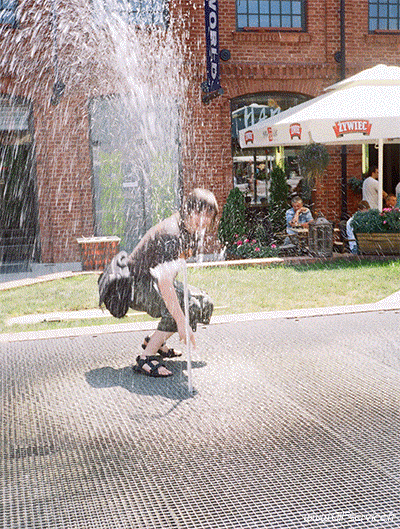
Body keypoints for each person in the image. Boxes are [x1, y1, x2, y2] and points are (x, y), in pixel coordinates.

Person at [127, 188, 219, 377]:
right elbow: (165, 283)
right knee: (186, 305)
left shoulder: (191, 231)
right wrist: (181, 320)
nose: (204, 220)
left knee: (203, 303)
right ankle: (145, 358)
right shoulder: (172, 233)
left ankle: (155, 341)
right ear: (188, 210)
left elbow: (171, 273)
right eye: (199, 213)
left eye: (208, 216)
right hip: (132, 287)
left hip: (150, 281)